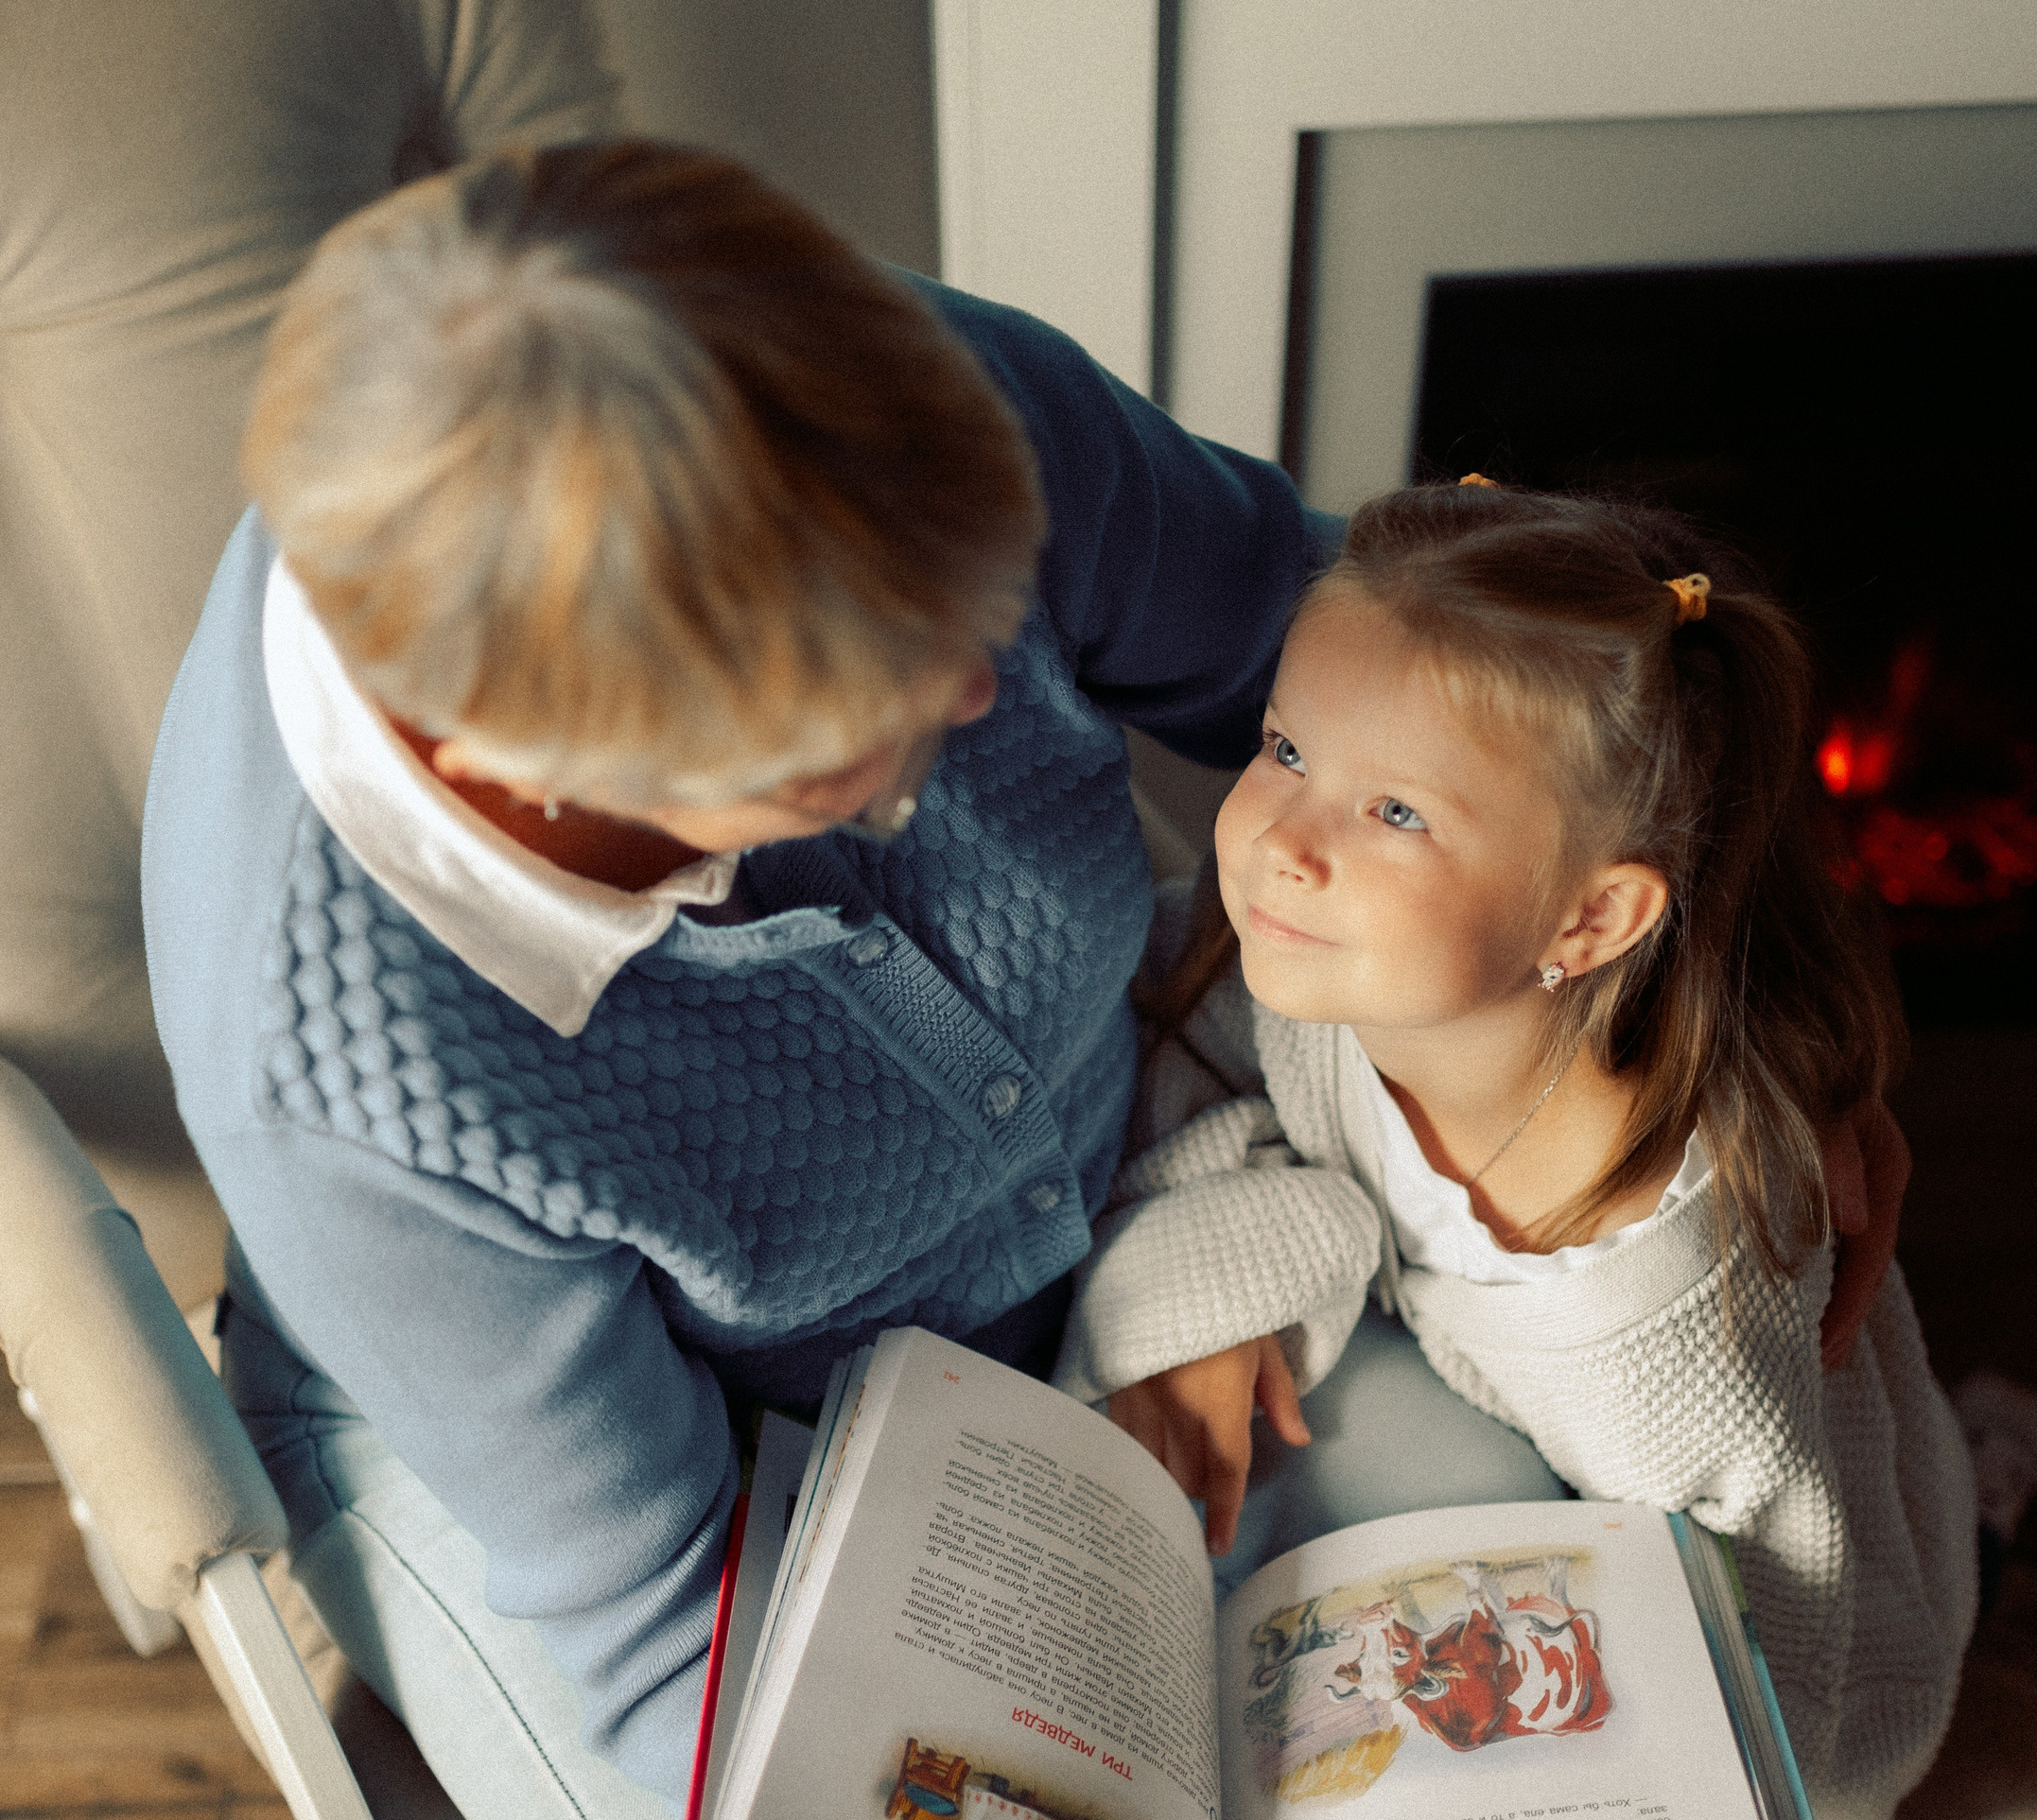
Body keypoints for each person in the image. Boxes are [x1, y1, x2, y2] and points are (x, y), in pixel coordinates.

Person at [143, 138, 1330, 1815]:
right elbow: (664, 1609)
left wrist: (1771, 993)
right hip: (565, 1456)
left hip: (1103, 1196)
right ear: (546, 764)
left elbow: (1351, 625)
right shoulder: (335, 1065)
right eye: (873, 747)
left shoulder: (880, 406)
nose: (992, 697)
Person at [1053, 480, 1976, 1818]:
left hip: (1787, 1589)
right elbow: (1193, 1054)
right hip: (1476, 1436)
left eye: (1400, 815)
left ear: (1591, 918)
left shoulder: (1677, 1327)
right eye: (1287, 749)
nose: (1283, 844)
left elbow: (1794, 1652)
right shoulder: (1332, 967)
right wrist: (1221, 1285)